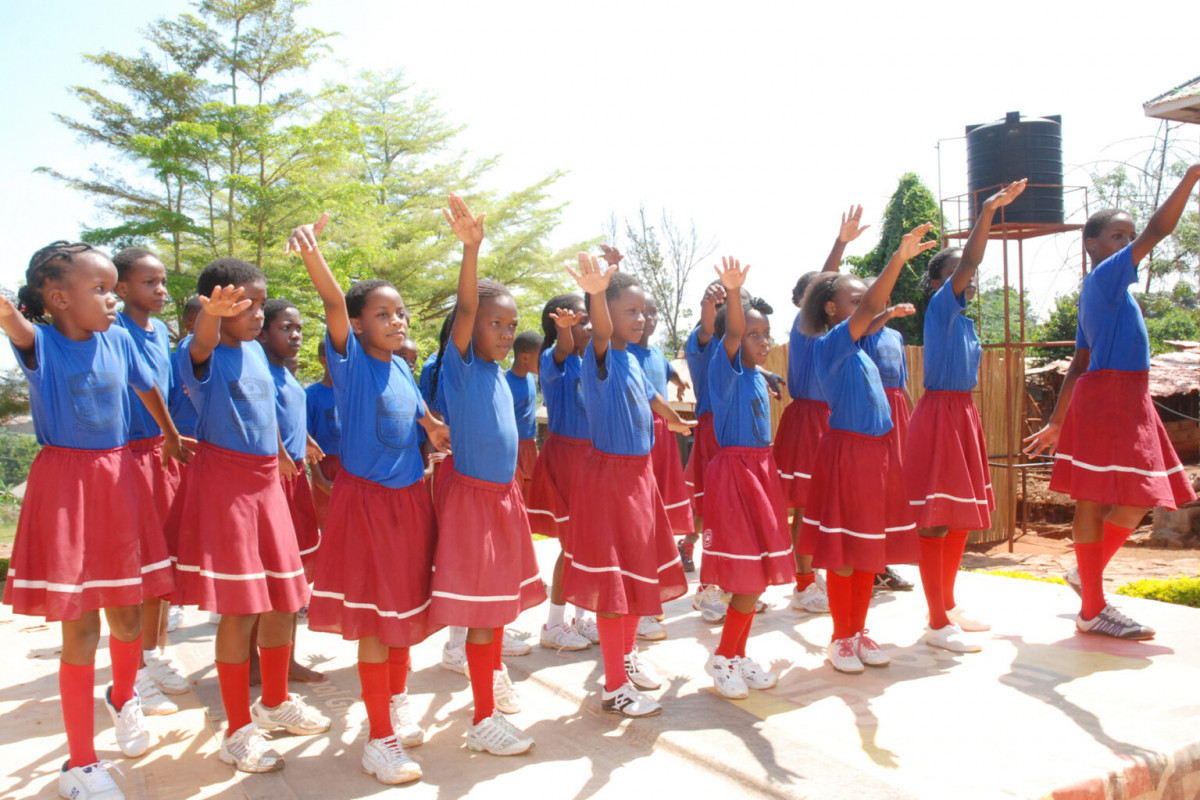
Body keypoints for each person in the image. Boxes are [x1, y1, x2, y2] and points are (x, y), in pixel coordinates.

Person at [0, 241, 189, 800]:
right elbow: (10, 315)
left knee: (127, 618)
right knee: (81, 626)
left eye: (113, 288)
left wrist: (173, 436)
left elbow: (146, 386)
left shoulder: (119, 339)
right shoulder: (41, 344)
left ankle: (123, 695)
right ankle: (80, 763)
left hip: (120, 482)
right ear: (57, 299)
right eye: (101, 290)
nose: (112, 300)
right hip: (67, 489)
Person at [290, 213, 449, 783]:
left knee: (405, 613)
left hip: (410, 502)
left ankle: (396, 704)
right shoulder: (351, 363)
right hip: (368, 505)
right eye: (381, 313)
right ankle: (379, 740)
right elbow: (333, 303)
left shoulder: (402, 369)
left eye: (400, 311)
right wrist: (314, 255)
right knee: (380, 624)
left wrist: (432, 428)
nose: (396, 319)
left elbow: (416, 410)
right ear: (356, 326)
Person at [166, 258, 329, 774]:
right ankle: (237, 730)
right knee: (241, 609)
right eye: (245, 304)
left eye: (261, 303)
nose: (257, 313)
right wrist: (210, 319)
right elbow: (199, 347)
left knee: (284, 598)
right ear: (214, 306)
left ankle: (275, 701)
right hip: (226, 487)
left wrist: (283, 450)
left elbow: (267, 413)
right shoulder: (204, 352)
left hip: (268, 484)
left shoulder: (259, 354)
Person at [1026, 165, 1200, 639]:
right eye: (1116, 234)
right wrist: (1191, 176)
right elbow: (1160, 230)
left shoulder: (1113, 296)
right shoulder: (1104, 279)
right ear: (1093, 245)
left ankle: (1089, 577)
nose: (1126, 242)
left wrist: (1058, 422)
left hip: (1126, 398)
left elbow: (1079, 363)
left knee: (1140, 499)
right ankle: (1093, 608)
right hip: (1109, 399)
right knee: (1095, 500)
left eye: (1128, 235)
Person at [428, 194, 546, 755]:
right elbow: (467, 307)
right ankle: (481, 718)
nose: (503, 332)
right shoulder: (462, 368)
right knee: (480, 614)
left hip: (501, 501)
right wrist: (471, 250)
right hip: (471, 501)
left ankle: (488, 696)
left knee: (497, 611)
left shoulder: (504, 377)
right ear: (467, 329)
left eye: (512, 325)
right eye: (493, 323)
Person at [798, 224, 933, 674]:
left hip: (875, 456)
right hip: (847, 456)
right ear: (832, 310)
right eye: (854, 302)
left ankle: (857, 631)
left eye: (864, 301)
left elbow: (876, 312)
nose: (864, 307)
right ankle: (840, 637)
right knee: (843, 557)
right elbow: (875, 304)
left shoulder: (859, 349)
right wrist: (899, 258)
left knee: (866, 554)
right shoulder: (833, 343)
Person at [562, 254, 693, 718]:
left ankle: (626, 656)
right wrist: (596, 292)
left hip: (639, 479)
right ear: (608, 314)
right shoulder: (601, 357)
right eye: (629, 311)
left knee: (641, 576)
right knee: (615, 586)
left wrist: (672, 419)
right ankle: (613, 686)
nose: (639, 319)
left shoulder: (636, 361)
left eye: (642, 312)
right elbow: (599, 332)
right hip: (609, 482)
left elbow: (652, 395)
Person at [905, 180, 1026, 652]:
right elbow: (971, 259)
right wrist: (990, 212)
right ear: (940, 283)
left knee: (958, 517)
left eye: (968, 276)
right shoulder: (940, 308)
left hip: (962, 414)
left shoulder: (964, 320)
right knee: (936, 518)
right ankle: (937, 623)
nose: (969, 280)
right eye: (959, 275)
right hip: (940, 416)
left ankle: (948, 607)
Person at [701, 257, 793, 699]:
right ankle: (721, 656)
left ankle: (735, 654)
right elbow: (733, 334)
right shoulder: (726, 363)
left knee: (757, 576)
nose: (761, 340)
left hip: (761, 473)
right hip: (735, 476)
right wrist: (735, 293)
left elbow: (754, 359)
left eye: (766, 335)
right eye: (752, 334)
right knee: (745, 579)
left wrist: (769, 371)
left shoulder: (755, 374)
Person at [774, 207, 871, 614]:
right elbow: (821, 287)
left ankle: (825, 574)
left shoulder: (843, 336)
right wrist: (842, 242)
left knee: (826, 506)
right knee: (802, 507)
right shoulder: (807, 325)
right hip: (806, 420)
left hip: (834, 421)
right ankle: (802, 582)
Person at [111, 247, 191, 717]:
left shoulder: (160, 331)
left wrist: (177, 440)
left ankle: (155, 651)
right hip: (128, 456)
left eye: (162, 281)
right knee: (137, 567)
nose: (161, 290)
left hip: (164, 453)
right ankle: (134, 671)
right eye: (149, 282)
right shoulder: (112, 329)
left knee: (164, 562)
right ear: (121, 289)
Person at [257, 298, 326, 683]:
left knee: (292, 578)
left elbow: (288, 418)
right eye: (286, 328)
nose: (296, 335)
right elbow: (259, 418)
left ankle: (285, 661)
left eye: (298, 328)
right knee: (271, 580)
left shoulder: (285, 373)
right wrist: (282, 452)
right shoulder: (259, 370)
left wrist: (307, 441)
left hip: (296, 478)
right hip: (273, 482)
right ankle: (262, 667)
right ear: (263, 332)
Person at [529, 294, 597, 652]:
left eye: (587, 321)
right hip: (567, 461)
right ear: (559, 325)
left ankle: (581, 617)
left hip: (592, 461)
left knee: (588, 544)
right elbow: (564, 346)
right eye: (578, 321)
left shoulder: (593, 361)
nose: (587, 327)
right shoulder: (554, 360)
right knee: (571, 547)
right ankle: (553, 623)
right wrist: (566, 332)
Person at [857, 278, 917, 594]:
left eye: (880, 296)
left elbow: (902, 382)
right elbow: (866, 329)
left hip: (897, 415)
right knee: (874, 488)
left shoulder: (895, 335)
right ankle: (871, 564)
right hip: (872, 413)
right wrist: (889, 313)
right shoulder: (861, 333)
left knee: (895, 489)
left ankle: (883, 563)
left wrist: (913, 417)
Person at [305, 338, 341, 528]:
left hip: (351, 466)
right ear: (323, 361)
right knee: (328, 525)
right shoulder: (311, 395)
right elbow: (307, 441)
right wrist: (319, 478)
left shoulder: (351, 393)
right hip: (324, 464)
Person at [506, 330, 543, 503]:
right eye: (539, 356)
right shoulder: (505, 383)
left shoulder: (530, 378)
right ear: (524, 357)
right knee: (514, 496)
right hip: (513, 449)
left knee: (529, 497)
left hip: (529, 445)